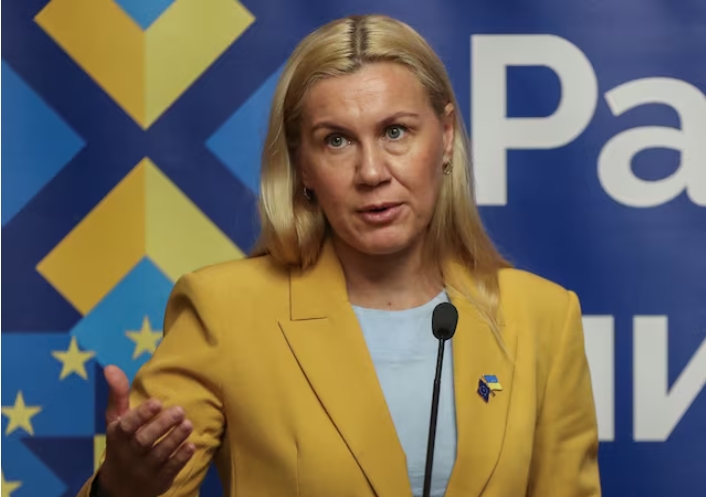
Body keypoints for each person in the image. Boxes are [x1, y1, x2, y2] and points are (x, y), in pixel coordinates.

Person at [78, 13, 601, 497]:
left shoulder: (542, 317)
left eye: (395, 132)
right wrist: (119, 489)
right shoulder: (224, 310)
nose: (371, 172)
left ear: (445, 137)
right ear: (302, 165)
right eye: (336, 141)